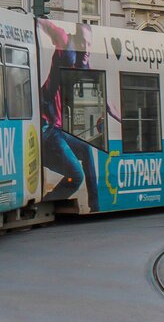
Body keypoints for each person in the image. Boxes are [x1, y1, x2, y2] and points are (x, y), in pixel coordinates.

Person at [37, 18, 116, 211]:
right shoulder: (65, 41)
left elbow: (99, 91)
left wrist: (113, 111)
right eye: (83, 43)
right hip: (47, 127)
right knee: (77, 175)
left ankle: (94, 205)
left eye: (90, 44)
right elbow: (48, 27)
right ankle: (45, 204)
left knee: (87, 149)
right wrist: (34, 23)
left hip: (58, 128)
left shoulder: (84, 62)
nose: (87, 49)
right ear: (75, 39)